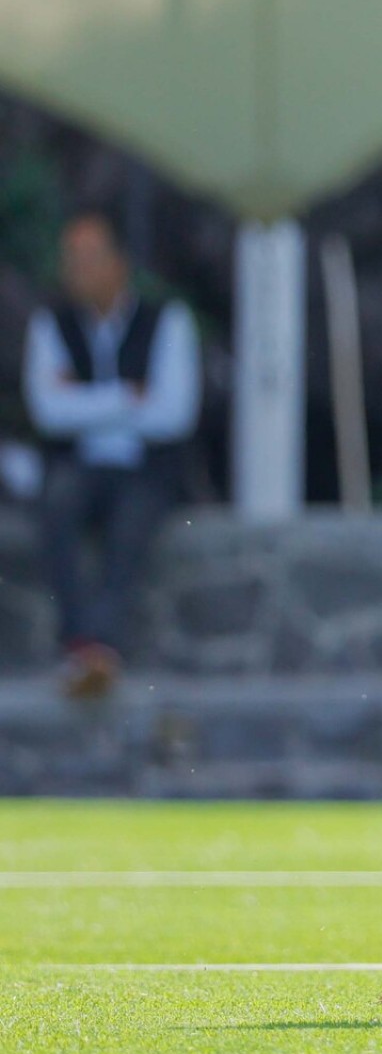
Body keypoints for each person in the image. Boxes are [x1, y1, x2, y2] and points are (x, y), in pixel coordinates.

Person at [24, 210, 201, 697]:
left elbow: (173, 414)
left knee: (131, 526)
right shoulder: (51, 324)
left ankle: (99, 647)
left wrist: (82, 399)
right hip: (77, 466)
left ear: (119, 263)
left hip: (145, 470)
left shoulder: (167, 321)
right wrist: (129, 396)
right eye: (71, 259)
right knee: (56, 507)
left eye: (88, 258)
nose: (76, 270)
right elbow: (48, 413)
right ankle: (81, 644)